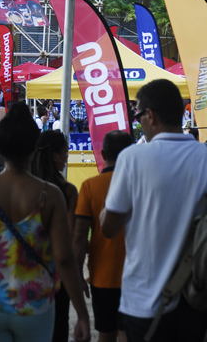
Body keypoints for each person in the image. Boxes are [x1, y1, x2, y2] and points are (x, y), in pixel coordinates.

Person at [101, 79, 207, 341]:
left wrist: (106, 212)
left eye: (138, 117)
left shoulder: (132, 158)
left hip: (144, 302)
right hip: (200, 298)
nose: (140, 123)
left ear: (150, 115)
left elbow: (109, 229)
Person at [0, 103, 91, 342]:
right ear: (34, 147)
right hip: (35, 308)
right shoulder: (51, 196)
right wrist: (82, 314)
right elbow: (65, 259)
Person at [74, 130, 135, 342]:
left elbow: (79, 236)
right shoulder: (142, 184)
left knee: (106, 334)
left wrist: (78, 275)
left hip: (103, 275)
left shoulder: (90, 187)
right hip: (137, 275)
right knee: (130, 334)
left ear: (102, 154)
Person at [32, 130, 79, 342]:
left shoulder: (26, 188)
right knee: (58, 329)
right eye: (65, 152)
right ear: (55, 155)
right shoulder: (67, 192)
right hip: (56, 276)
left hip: (25, 271)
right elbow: (68, 241)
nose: (67, 157)